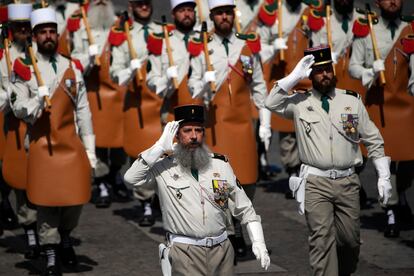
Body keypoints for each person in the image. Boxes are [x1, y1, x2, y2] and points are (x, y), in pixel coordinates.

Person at [265, 45, 392, 276]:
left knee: (350, 241)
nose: (325, 74)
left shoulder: (351, 101)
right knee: (321, 240)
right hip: (316, 183)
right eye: (319, 71)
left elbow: (373, 138)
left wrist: (384, 176)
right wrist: (294, 76)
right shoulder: (299, 103)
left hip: (347, 182)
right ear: (311, 75)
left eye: (328, 70)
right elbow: (270, 102)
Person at [124, 104, 271, 275]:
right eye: (187, 130)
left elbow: (244, 207)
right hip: (185, 252)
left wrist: (258, 241)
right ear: (176, 134)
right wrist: (158, 147)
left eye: (198, 130)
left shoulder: (220, 164)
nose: (193, 136)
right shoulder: (163, 168)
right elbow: (131, 178)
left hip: (222, 250)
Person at [10, 8, 97, 275]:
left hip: (70, 146)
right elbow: (18, 107)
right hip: (41, 145)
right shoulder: (23, 67)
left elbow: (83, 110)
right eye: (42, 32)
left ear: (57, 35)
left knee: (74, 198)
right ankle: (50, 252)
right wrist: (37, 100)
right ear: (34, 36)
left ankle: (66, 236)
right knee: (46, 201)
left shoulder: (72, 67)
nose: (48, 36)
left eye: (51, 32)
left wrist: (90, 149)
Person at [188, 0, 271, 257]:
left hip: (243, 125)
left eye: (227, 12)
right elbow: (192, 89)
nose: (224, 17)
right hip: (216, 125)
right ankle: (231, 233)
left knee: (246, 181)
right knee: (219, 182)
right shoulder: (202, 46)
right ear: (212, 16)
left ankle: (239, 223)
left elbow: (259, 87)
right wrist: (203, 82)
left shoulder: (247, 45)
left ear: (233, 14)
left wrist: (265, 123)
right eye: (218, 13)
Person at [349, 0, 414, 237]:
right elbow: (352, 66)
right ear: (378, 2)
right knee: (385, 160)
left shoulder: (411, 28)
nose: (393, 2)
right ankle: (391, 210)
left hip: (406, 104)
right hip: (379, 103)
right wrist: (367, 71)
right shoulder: (367, 29)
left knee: (409, 159)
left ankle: (402, 192)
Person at [110, 0, 163, 227]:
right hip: (137, 101)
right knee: (142, 154)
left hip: (162, 100)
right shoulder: (124, 36)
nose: (144, 6)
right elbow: (115, 73)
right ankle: (145, 202)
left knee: (167, 153)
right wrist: (131, 69)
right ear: (131, 6)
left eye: (147, 3)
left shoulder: (163, 32)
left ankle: (165, 199)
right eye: (139, 3)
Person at [71, 0, 127, 208]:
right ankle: (101, 181)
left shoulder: (118, 23)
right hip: (95, 92)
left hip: (118, 92)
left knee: (121, 140)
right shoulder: (81, 26)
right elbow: (74, 59)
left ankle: (115, 174)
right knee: (99, 141)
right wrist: (88, 56)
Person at [257, 0, 314, 197]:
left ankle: (307, 172)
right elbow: (260, 45)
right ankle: (292, 170)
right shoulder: (272, 12)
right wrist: (272, 47)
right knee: (287, 132)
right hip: (282, 77)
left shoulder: (311, 11)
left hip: (306, 76)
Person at [0, 2, 40, 259]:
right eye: (20, 28)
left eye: (28, 27)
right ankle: (30, 231)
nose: (24, 31)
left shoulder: (41, 56)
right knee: (19, 180)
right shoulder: (3, 58)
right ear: (12, 30)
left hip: (39, 124)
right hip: (12, 126)